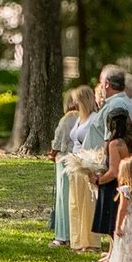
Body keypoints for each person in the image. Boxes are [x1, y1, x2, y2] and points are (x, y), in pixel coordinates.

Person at [91, 107, 132, 262]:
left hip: (113, 186)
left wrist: (97, 180)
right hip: (127, 183)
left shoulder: (115, 144)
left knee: (112, 226)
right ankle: (111, 256)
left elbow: (113, 171)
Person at [64, 84, 100, 252]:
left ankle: (91, 241)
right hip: (75, 162)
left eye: (77, 100)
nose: (75, 103)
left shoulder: (94, 118)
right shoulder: (79, 118)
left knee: (88, 203)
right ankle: (77, 240)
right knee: (75, 202)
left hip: (87, 163)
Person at [49, 87, 86, 246]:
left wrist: (52, 153)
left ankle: (62, 234)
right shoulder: (85, 117)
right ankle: (76, 232)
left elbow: (58, 142)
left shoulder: (67, 119)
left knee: (63, 198)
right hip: (78, 160)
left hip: (64, 160)